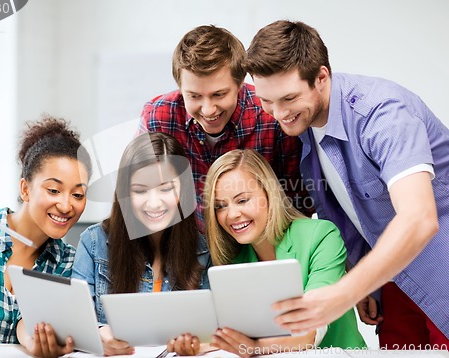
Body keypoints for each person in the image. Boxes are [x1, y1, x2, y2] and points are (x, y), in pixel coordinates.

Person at [244, 20, 449, 348]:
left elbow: (419, 218)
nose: (278, 113)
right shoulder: (307, 126)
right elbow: (358, 212)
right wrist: (367, 281)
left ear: (322, 77)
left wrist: (343, 292)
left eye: (288, 98)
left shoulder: (382, 115)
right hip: (397, 282)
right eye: (266, 101)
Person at [139, 25, 313, 236]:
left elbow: (296, 201)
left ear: (240, 83)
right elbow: (144, 195)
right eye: (194, 96)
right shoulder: (158, 117)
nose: (208, 109)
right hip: (189, 248)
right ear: (180, 87)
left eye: (219, 94)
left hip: (262, 245)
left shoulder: (272, 117)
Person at [0, 115, 93, 356]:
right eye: (54, 190)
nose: (67, 206)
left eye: (78, 195)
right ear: (25, 189)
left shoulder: (69, 262)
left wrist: (33, 340)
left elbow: (29, 322)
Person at [203, 149, 366, 356]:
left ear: (268, 194)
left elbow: (311, 330)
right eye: (220, 206)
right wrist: (194, 345)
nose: (232, 214)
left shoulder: (321, 236)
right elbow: (230, 336)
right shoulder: (234, 261)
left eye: (242, 200)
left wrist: (253, 347)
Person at [72, 132, 211, 356]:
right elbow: (75, 324)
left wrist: (198, 344)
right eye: (140, 191)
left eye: (166, 189)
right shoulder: (94, 242)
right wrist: (99, 335)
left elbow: (212, 333)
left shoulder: (201, 250)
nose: (154, 203)